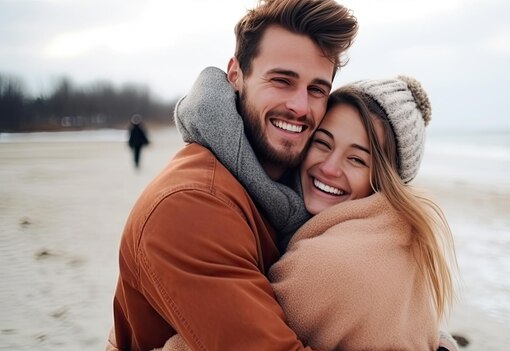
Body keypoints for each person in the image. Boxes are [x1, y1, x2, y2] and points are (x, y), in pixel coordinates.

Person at [109, 0, 359, 350]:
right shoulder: (191, 205)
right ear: (236, 75)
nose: (301, 107)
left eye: (316, 89)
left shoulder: (300, 189)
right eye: (282, 80)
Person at [154, 74, 459, 351]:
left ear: (384, 179)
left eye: (356, 160)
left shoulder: (330, 263)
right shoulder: (398, 237)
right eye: (323, 143)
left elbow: (226, 337)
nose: (328, 168)